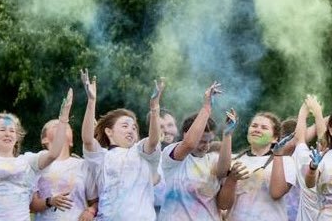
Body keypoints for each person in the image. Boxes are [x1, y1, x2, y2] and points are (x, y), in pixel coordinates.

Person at [81, 70, 165, 220]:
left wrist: (154, 108)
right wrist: (91, 101)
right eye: (125, 126)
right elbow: (88, 140)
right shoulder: (102, 157)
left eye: (134, 128)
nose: (131, 130)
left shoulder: (141, 152)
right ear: (109, 131)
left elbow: (153, 141)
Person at [0, 88, 72, 220]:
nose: (8, 133)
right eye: (2, 130)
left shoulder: (27, 161)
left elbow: (53, 154)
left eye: (12, 131)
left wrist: (63, 119)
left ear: (17, 137)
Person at [157, 82, 234, 221]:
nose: (206, 146)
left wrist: (227, 134)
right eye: (202, 141)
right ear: (186, 134)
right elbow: (189, 144)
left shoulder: (212, 159)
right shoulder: (171, 154)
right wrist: (206, 107)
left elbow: (224, 172)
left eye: (210, 141)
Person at [218, 109, 294, 221]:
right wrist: (231, 179)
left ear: (275, 138)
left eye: (264, 128)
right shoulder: (233, 160)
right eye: (254, 126)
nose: (257, 130)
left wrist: (278, 155)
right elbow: (223, 205)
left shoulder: (286, 161)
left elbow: (276, 193)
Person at [31, 115, 97, 221]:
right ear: (44, 140)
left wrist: (90, 211)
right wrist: (50, 201)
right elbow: (31, 206)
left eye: (66, 126)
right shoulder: (37, 164)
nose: (62, 126)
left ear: (71, 142)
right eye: (56, 126)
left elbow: (95, 201)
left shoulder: (83, 165)